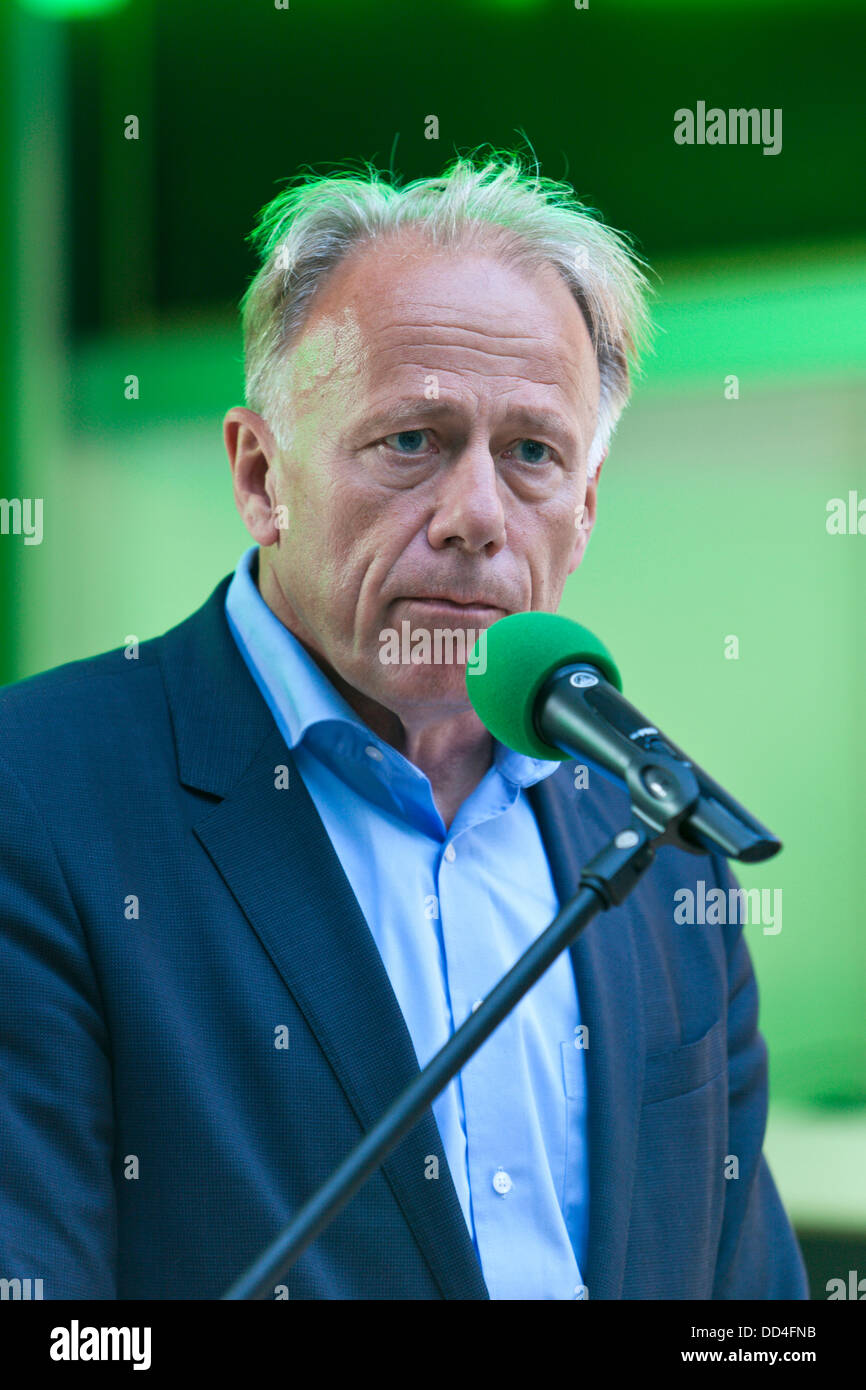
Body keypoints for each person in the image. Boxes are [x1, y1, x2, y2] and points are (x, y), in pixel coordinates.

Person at [0, 153, 808, 1300]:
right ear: (259, 473)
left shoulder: (657, 835)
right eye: (411, 441)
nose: (476, 516)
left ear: (580, 514)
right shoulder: (38, 793)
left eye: (531, 453)